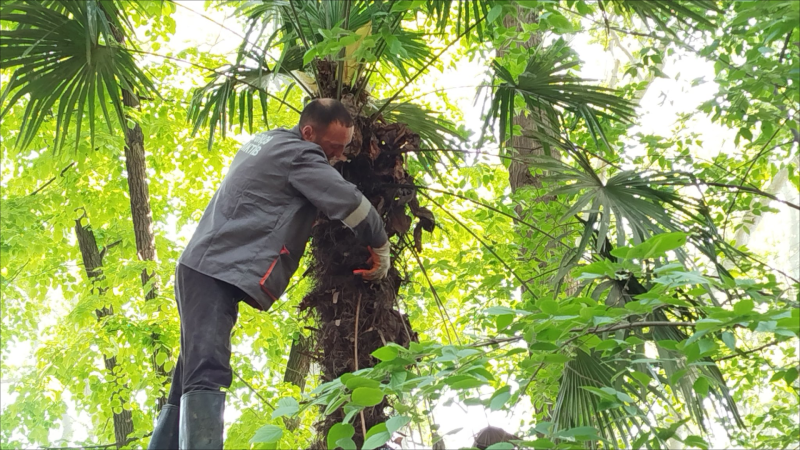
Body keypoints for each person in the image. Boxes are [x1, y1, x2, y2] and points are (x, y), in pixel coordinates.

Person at [147, 99, 390, 449]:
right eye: (334, 147)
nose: (340, 156)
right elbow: (348, 201)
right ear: (308, 132)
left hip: (202, 266)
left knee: (188, 375)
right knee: (208, 371)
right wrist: (380, 245)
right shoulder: (300, 155)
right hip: (212, 271)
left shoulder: (270, 140)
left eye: (345, 147)